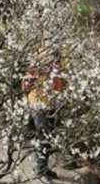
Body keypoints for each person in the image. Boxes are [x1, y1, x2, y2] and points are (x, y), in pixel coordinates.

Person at [23, 53, 66, 184]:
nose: (56, 63)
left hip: (49, 105)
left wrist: (57, 96)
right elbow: (25, 85)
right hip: (37, 105)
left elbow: (58, 85)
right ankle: (40, 170)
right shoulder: (37, 66)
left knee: (48, 138)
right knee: (42, 137)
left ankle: (44, 167)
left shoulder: (56, 67)